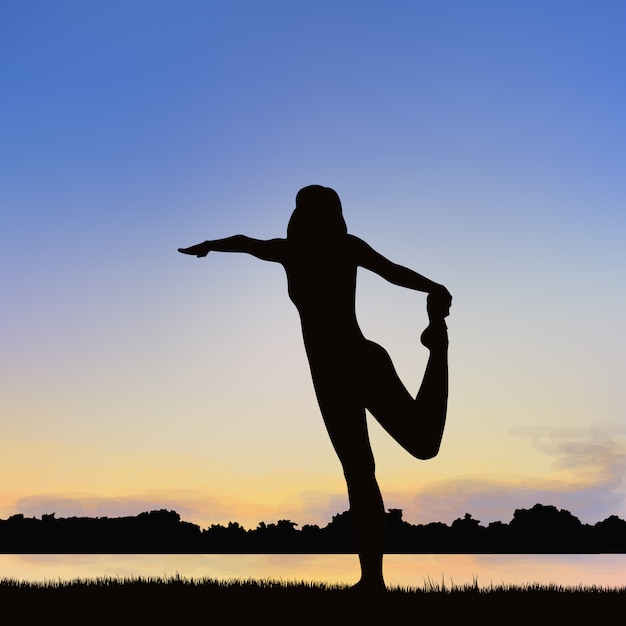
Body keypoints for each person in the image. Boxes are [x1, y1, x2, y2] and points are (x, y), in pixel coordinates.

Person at [179, 185, 451, 591]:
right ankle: (371, 580)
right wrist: (211, 246)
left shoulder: (343, 248)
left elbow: (391, 271)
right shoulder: (291, 252)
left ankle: (438, 347)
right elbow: (245, 243)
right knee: (359, 473)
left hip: (359, 361)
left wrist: (433, 287)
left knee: (423, 446)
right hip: (328, 377)